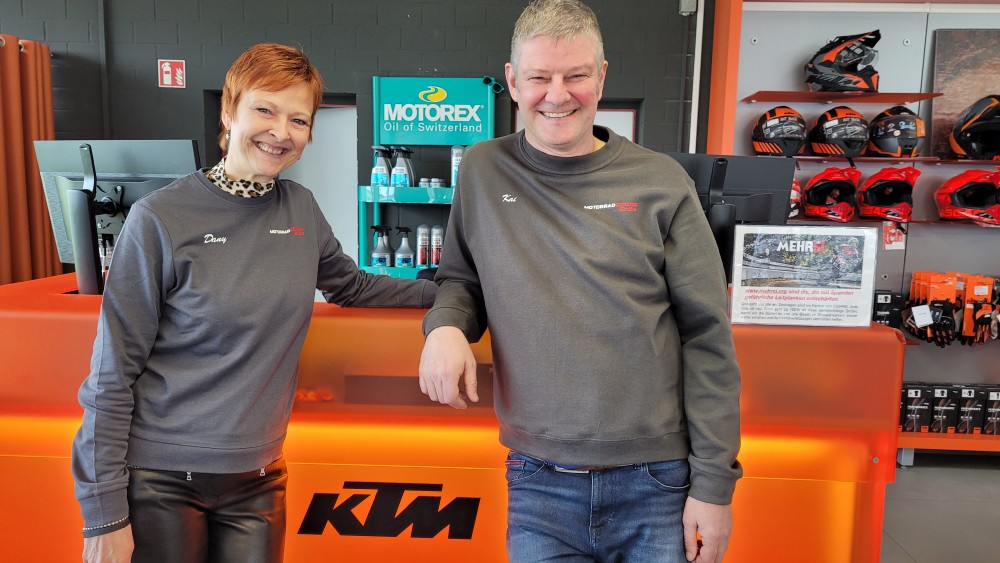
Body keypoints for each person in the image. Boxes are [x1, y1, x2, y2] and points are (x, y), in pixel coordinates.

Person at [71, 43, 436, 563]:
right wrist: (104, 510)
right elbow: (111, 375)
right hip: (161, 479)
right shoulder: (159, 218)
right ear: (229, 112)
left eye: (299, 120)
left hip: (259, 477)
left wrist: (456, 292)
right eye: (265, 110)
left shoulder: (300, 208)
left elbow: (351, 286)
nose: (281, 131)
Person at [417, 1, 742, 561]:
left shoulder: (661, 181)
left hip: (658, 480)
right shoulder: (482, 170)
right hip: (537, 479)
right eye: (539, 78)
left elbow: (707, 335)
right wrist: (445, 326)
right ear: (513, 81)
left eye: (576, 76)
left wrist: (713, 485)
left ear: (602, 77)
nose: (557, 95)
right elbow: (461, 279)